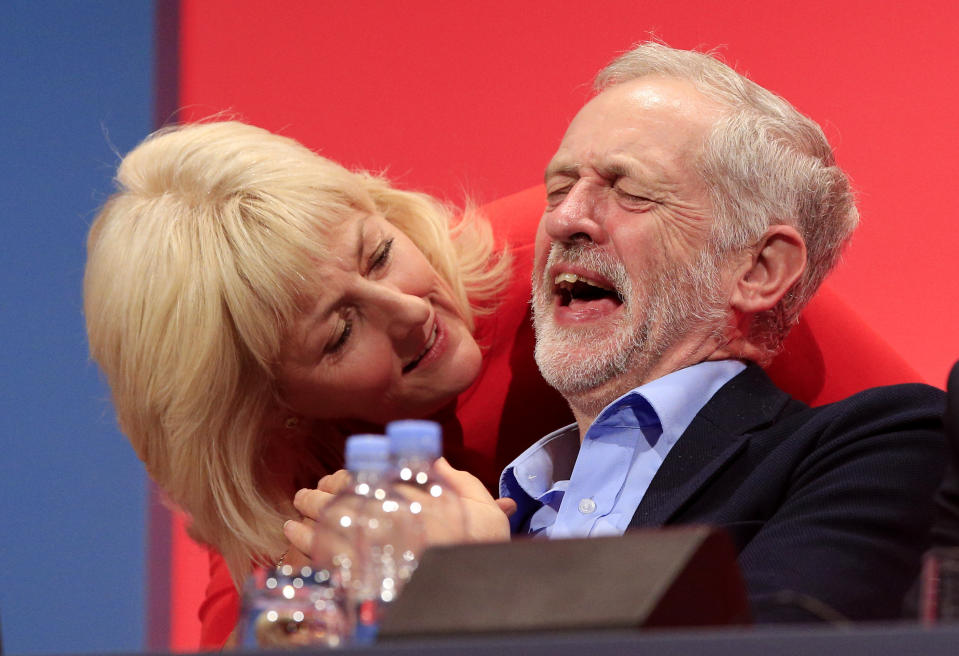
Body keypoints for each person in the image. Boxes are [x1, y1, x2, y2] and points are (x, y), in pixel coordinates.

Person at [289, 41, 947, 623]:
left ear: (756, 268)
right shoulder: (478, 508)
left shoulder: (878, 445)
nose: (563, 220)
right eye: (559, 187)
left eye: (628, 191)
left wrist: (471, 587)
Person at [83, 120, 573, 646]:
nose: (409, 310)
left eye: (380, 255)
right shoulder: (295, 498)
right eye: (340, 333)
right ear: (270, 407)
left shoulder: (560, 254)